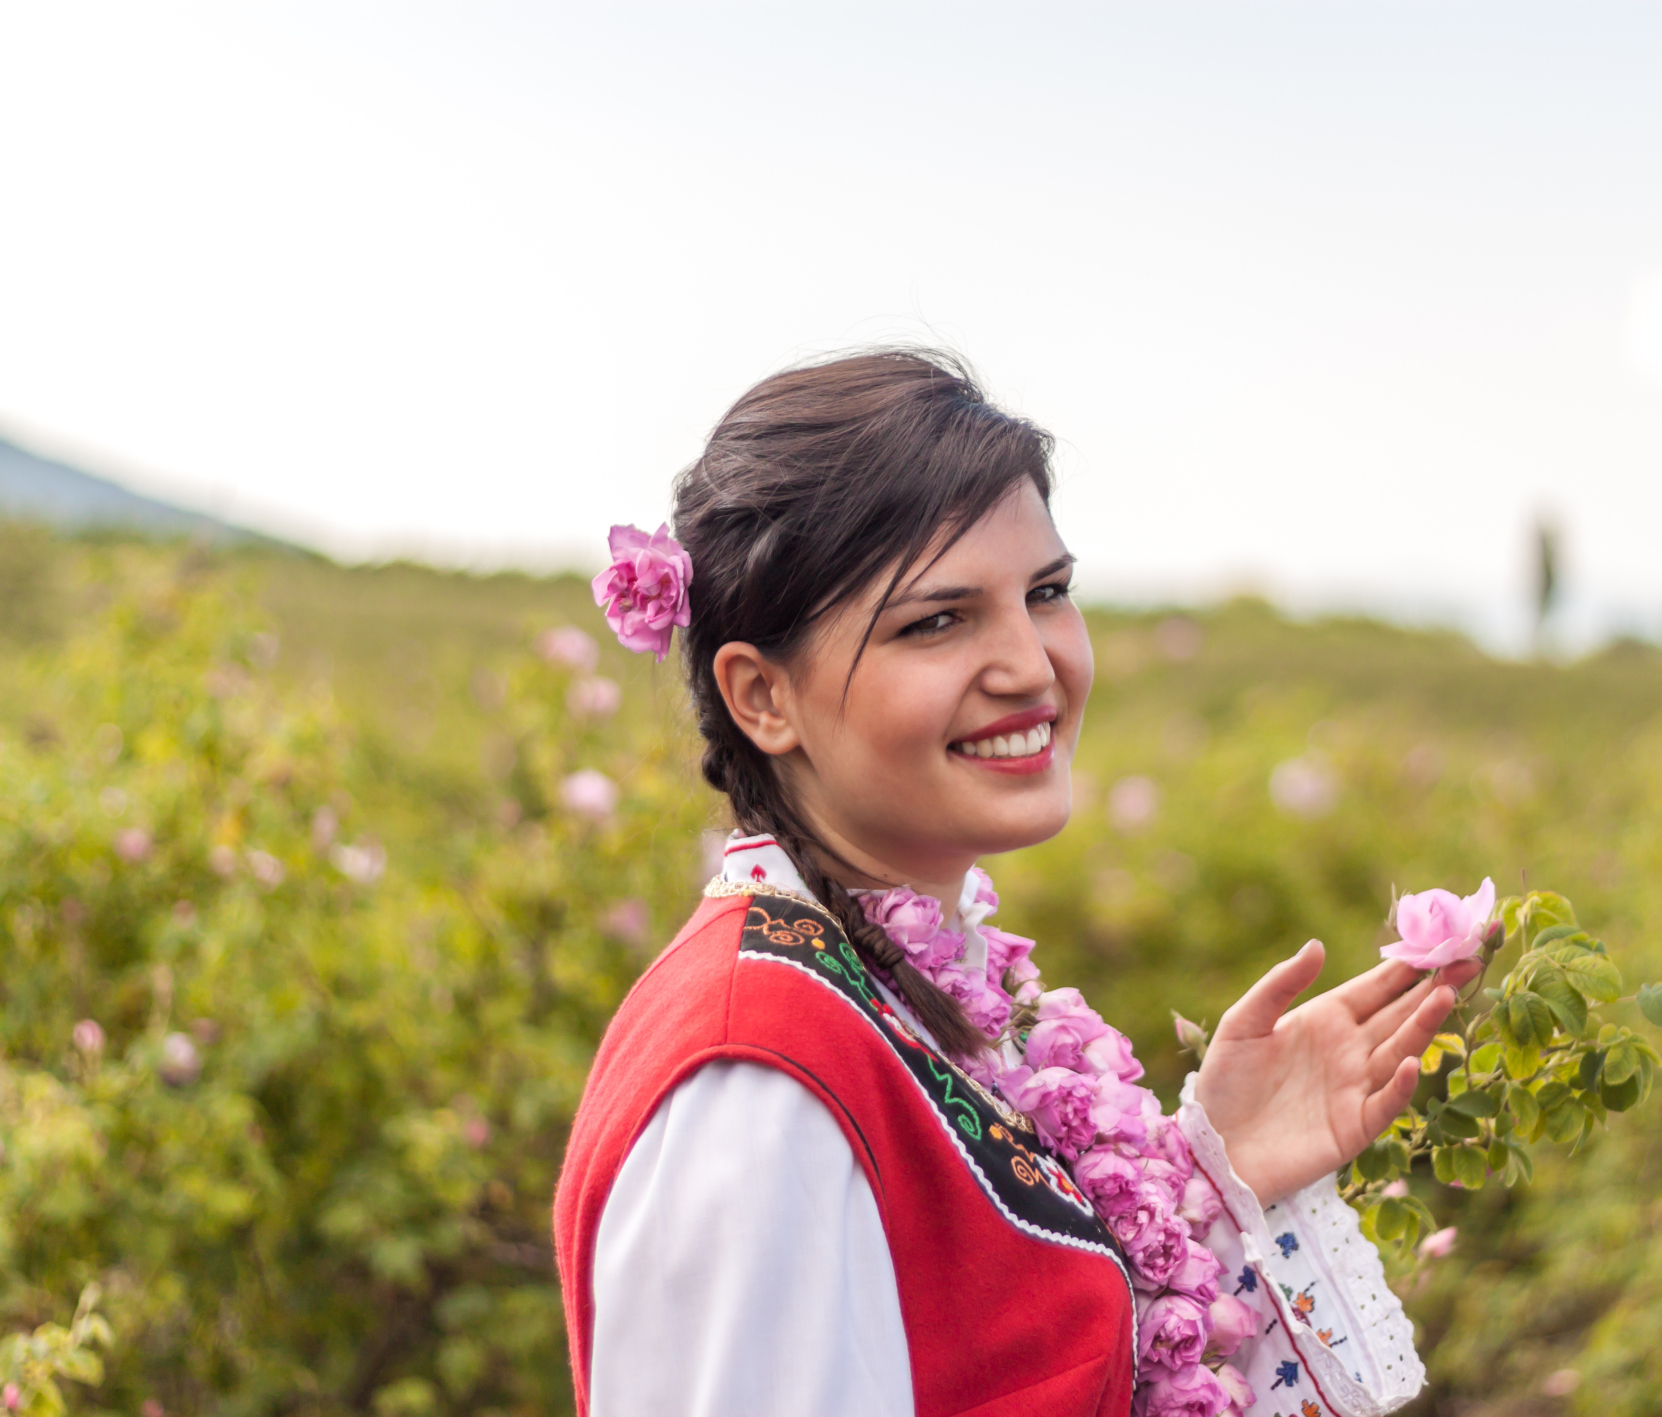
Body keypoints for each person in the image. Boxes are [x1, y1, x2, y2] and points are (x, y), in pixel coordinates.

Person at [552, 350, 1480, 1417]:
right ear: (763, 695)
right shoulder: (759, 1080)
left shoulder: (899, 989)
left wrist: (1208, 1179)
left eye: (1045, 594)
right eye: (936, 621)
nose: (1033, 666)